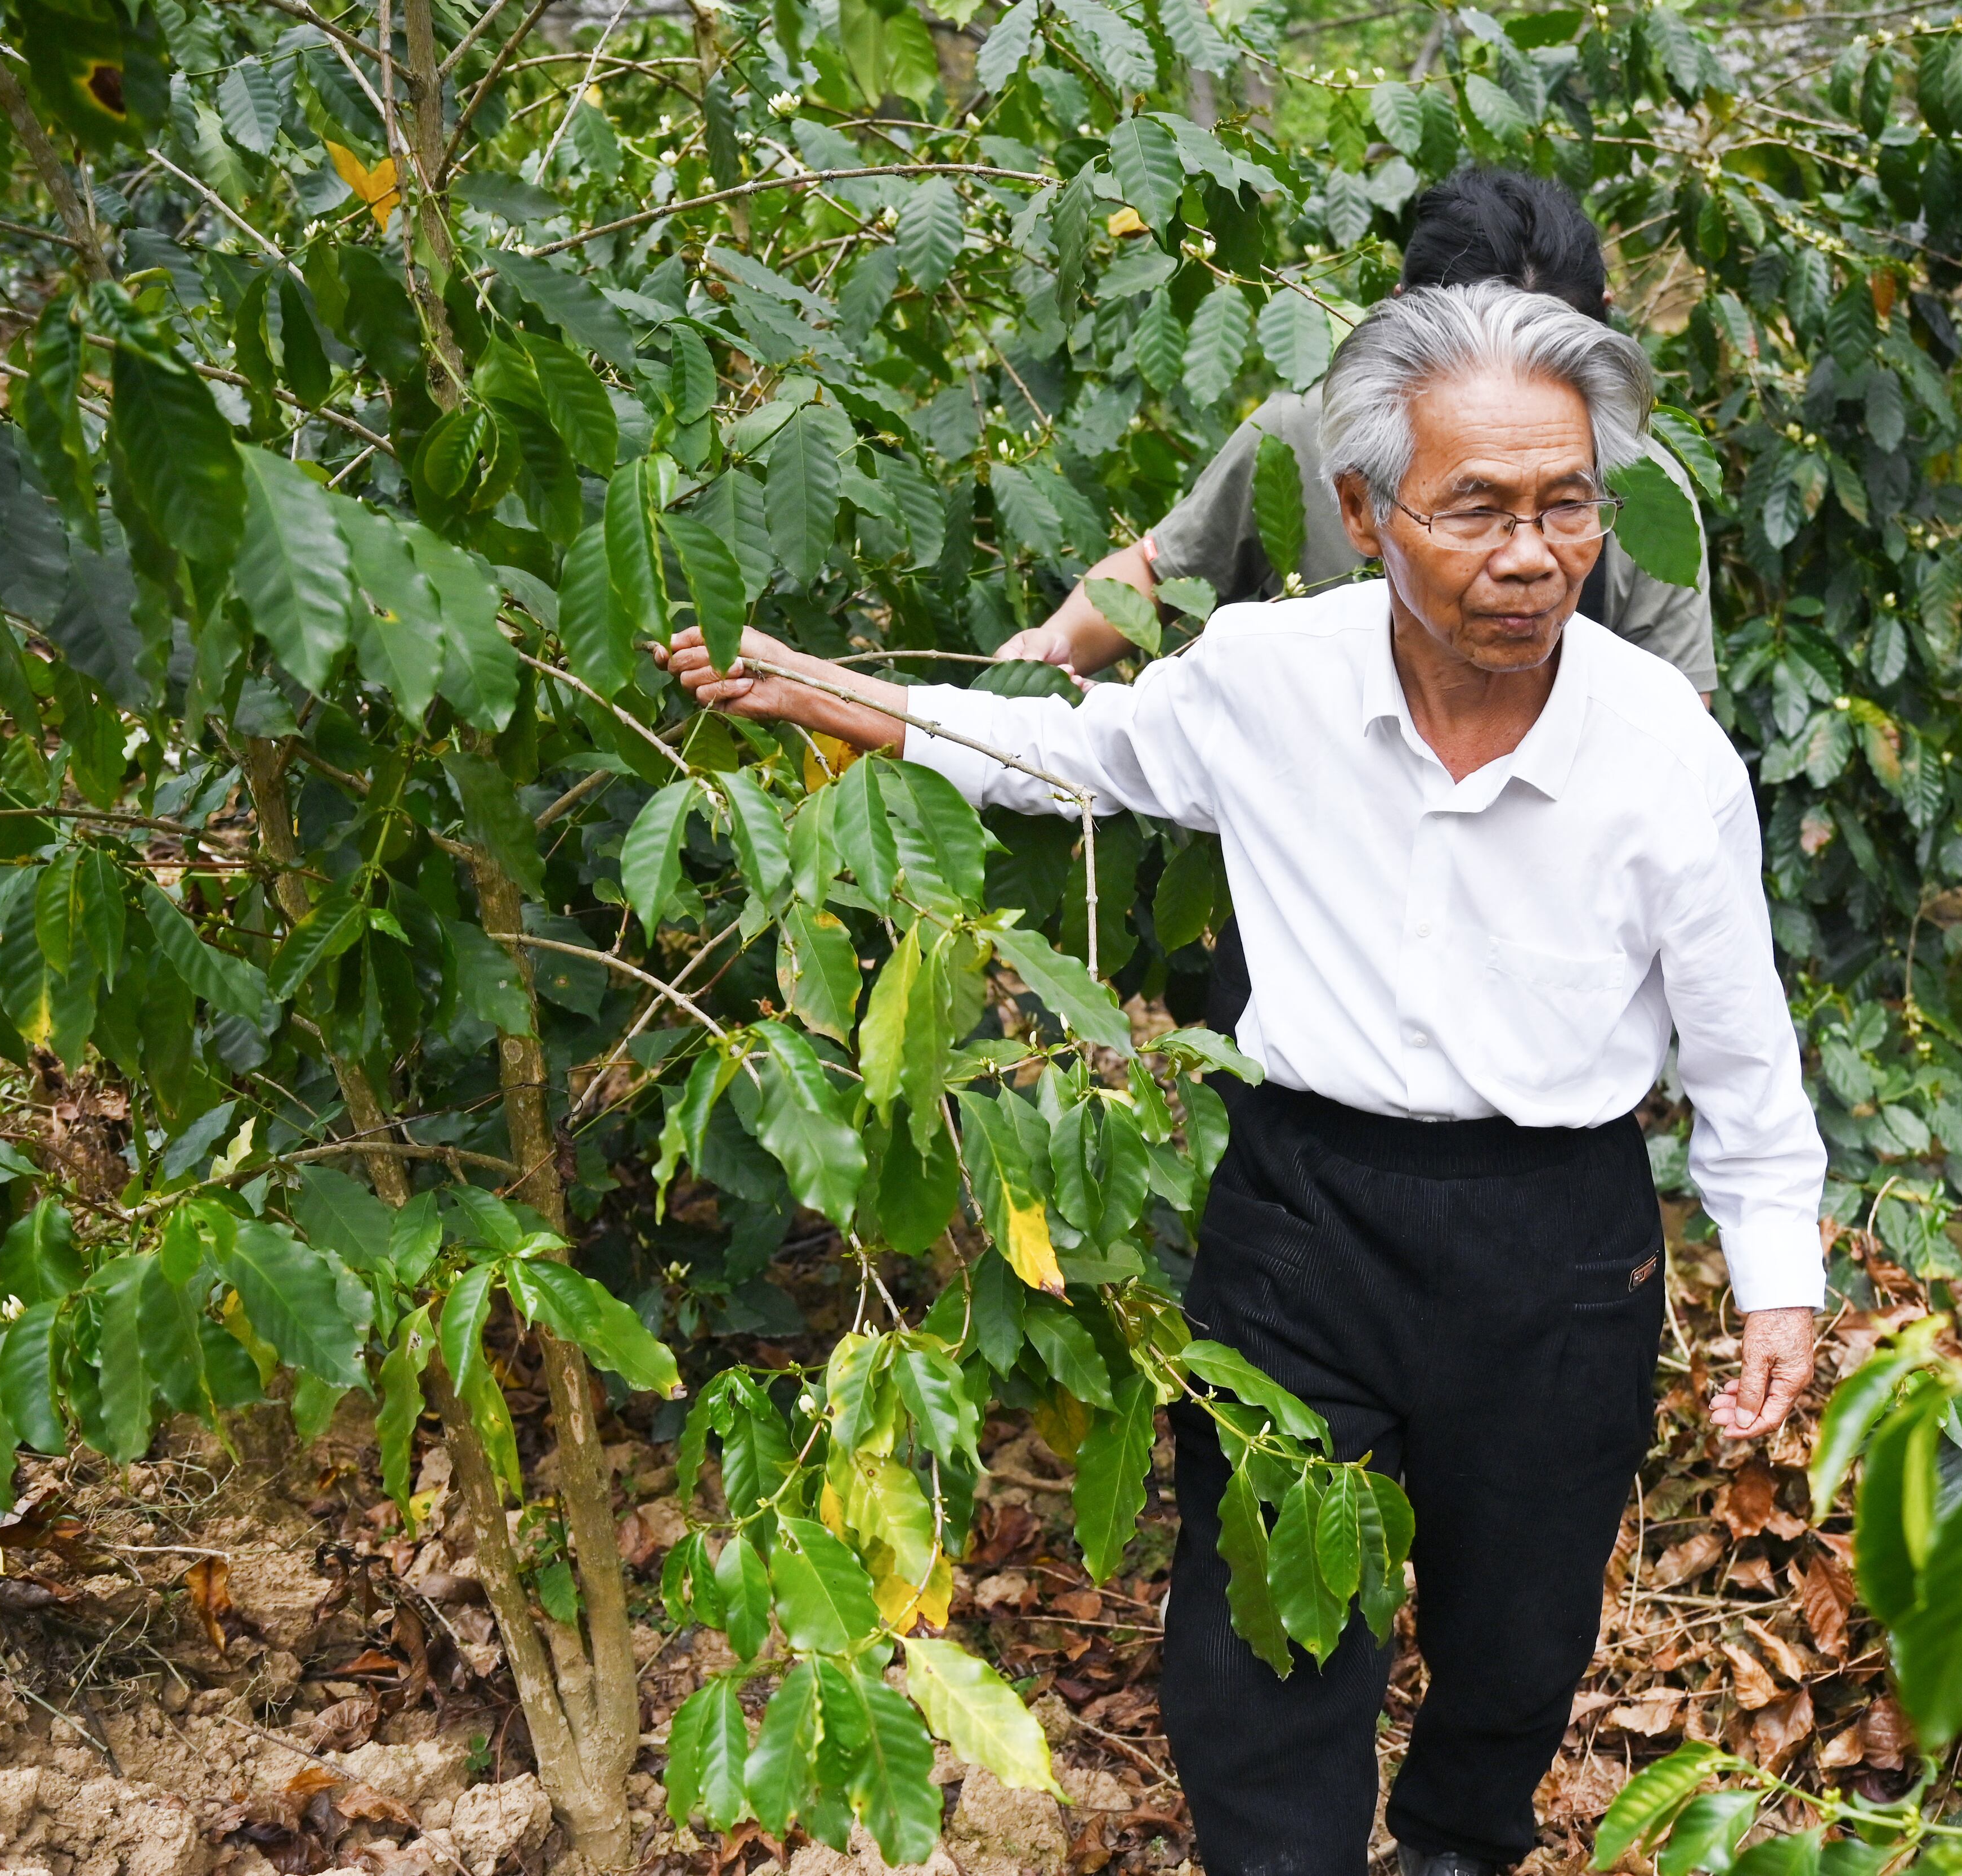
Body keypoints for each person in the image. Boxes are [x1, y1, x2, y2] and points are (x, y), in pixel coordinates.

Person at [662, 284, 1825, 1876]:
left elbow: (1742, 1044)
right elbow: (1077, 752)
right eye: (1477, 507)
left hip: (1557, 1241)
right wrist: (827, 691)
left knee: (1520, 1625)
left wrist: (1779, 1284)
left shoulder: (1661, 750)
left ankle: (1457, 1847)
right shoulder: (1268, 672)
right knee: (1259, 1628)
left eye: (1567, 505)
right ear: (1362, 508)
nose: (1532, 553)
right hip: (1301, 1216)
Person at [999, 167, 1717, 695]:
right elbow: (1159, 571)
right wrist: (1050, 655)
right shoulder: (1300, 435)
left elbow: (1672, 741)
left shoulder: (1641, 488)